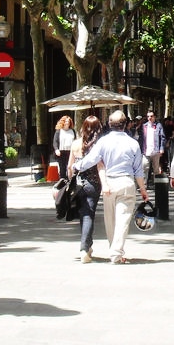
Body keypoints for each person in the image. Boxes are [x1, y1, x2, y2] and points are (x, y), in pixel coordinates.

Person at [73, 110, 150, 264]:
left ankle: (113, 249)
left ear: (109, 124)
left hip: (109, 184)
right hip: (126, 183)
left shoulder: (103, 142)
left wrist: (77, 166)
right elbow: (138, 170)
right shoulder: (133, 143)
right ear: (125, 124)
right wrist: (142, 189)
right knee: (123, 220)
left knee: (110, 220)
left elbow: (92, 159)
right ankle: (116, 253)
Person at [67, 115, 104, 263]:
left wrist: (70, 181)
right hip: (93, 184)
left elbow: (69, 167)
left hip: (77, 184)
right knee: (88, 214)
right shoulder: (98, 145)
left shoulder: (76, 144)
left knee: (84, 213)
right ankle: (84, 248)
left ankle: (88, 245)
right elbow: (101, 166)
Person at [138, 111, 167, 175]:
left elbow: (162, 137)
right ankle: (145, 181)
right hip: (146, 151)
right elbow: (141, 138)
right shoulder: (144, 126)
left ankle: (155, 181)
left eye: (151, 116)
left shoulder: (158, 125)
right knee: (144, 168)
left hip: (155, 151)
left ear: (154, 117)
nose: (149, 118)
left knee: (156, 170)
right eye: (148, 116)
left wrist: (161, 148)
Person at [52, 115, 76, 181]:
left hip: (70, 151)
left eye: (68, 122)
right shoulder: (59, 131)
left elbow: (75, 141)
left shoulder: (72, 131)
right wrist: (56, 149)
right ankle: (62, 181)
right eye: (66, 121)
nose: (67, 123)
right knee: (62, 168)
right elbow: (55, 141)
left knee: (70, 166)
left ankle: (70, 180)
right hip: (61, 152)